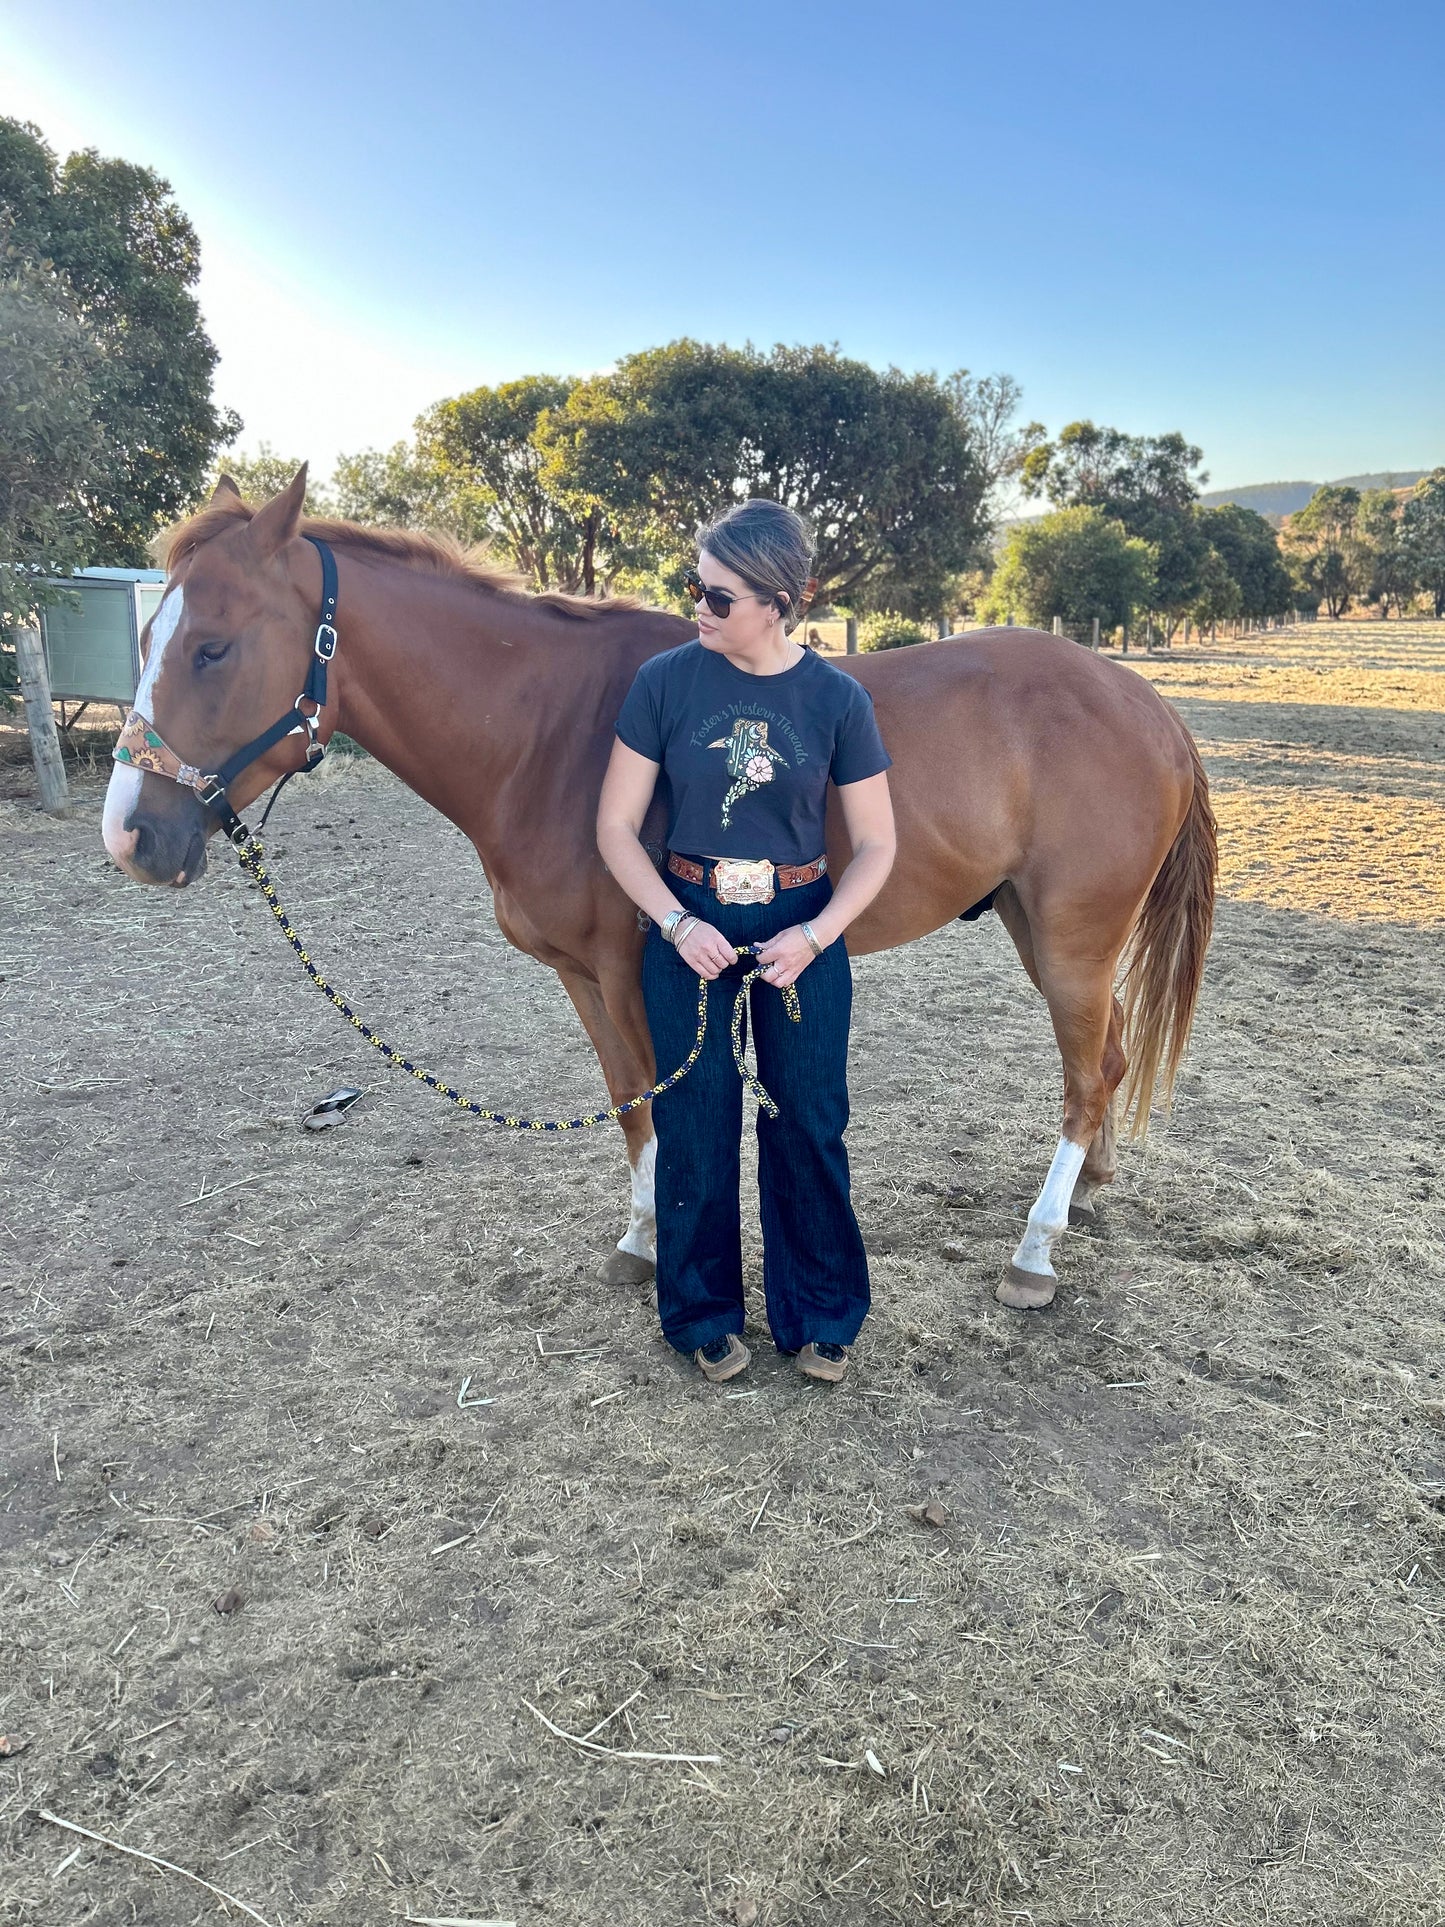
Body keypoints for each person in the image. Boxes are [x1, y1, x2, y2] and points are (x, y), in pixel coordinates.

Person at [596, 500, 896, 1386]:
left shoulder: (837, 699)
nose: (697, 605)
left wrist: (815, 934)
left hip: (800, 930)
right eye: (694, 586)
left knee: (809, 1118)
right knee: (693, 1119)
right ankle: (700, 1313)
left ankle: (822, 1314)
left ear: (776, 601)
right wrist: (675, 922)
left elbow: (877, 844)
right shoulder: (664, 682)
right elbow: (615, 827)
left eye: (716, 595)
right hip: (688, 919)